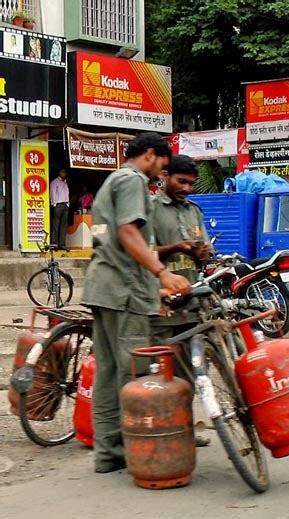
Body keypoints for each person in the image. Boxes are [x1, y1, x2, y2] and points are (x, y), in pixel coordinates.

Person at [80, 133, 191, 474]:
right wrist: (161, 274)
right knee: (133, 376)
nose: (162, 172)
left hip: (106, 288)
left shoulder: (112, 180)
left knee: (110, 372)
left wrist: (151, 285)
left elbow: (113, 240)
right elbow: (129, 235)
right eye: (163, 164)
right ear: (150, 155)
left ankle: (108, 453)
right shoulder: (132, 181)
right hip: (124, 293)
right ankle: (136, 451)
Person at [151, 154, 213, 446]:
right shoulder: (150, 209)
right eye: (181, 181)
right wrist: (176, 247)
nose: (186, 188)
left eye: (191, 183)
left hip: (191, 304)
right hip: (161, 303)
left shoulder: (195, 211)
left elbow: (205, 246)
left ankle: (184, 430)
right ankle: (160, 431)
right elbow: (144, 252)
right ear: (165, 176)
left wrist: (203, 253)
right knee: (161, 374)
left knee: (191, 372)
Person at [50, 168, 69, 250]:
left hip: (65, 205)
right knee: (56, 224)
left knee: (64, 225)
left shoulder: (65, 182)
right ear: (59, 172)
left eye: (65, 172)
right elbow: (52, 193)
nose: (64, 173)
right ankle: (54, 243)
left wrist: (68, 204)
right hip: (58, 205)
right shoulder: (55, 182)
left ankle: (62, 244)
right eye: (62, 172)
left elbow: (67, 193)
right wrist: (54, 204)